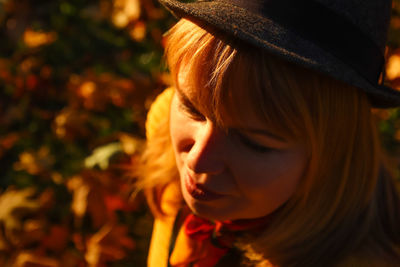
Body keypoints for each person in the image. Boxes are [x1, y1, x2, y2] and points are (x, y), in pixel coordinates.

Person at [135, 0, 400, 266]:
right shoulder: (166, 139)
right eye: (192, 109)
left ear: (334, 154)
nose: (197, 161)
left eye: (253, 143)